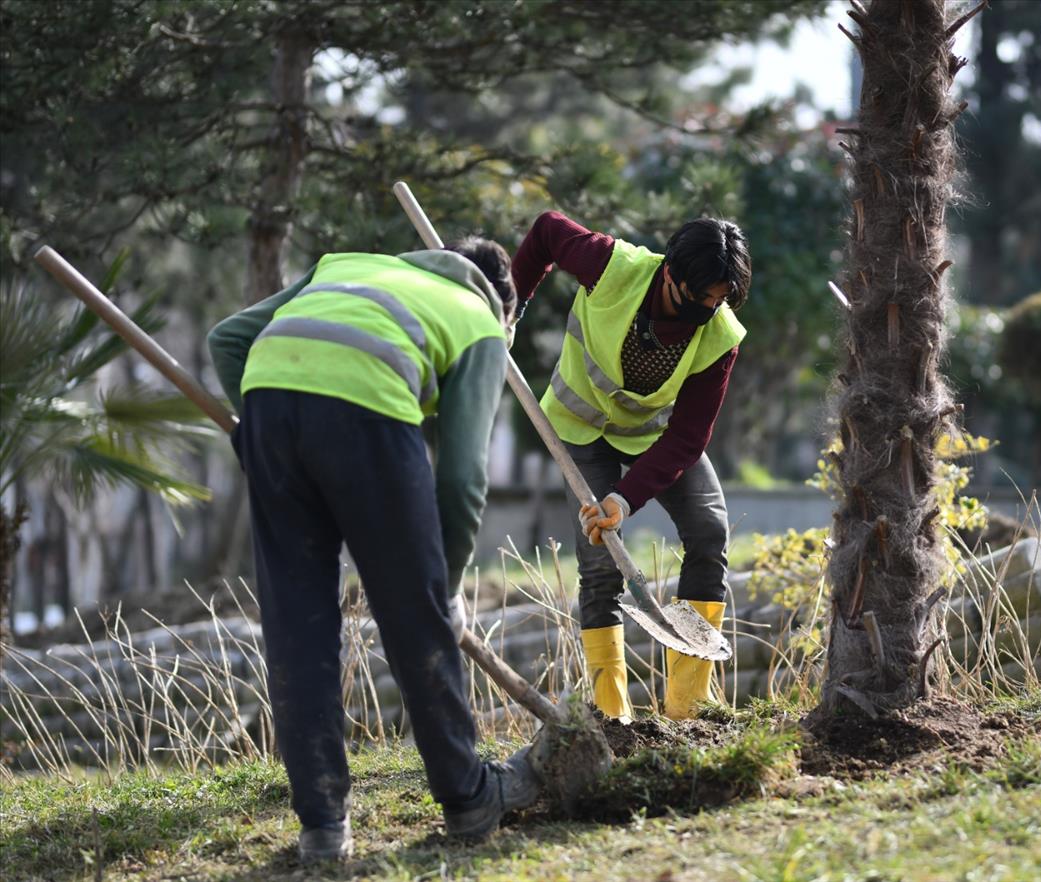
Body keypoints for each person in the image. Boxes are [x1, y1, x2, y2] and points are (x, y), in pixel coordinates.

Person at [207, 239, 539, 862]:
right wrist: (442, 592)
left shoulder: (345, 265)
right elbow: (464, 480)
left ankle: (323, 828)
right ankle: (469, 798)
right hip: (367, 417)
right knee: (415, 620)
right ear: (506, 312)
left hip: (270, 406)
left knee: (297, 627)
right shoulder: (481, 324)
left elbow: (228, 338)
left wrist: (257, 436)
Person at [512, 211, 750, 723]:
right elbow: (548, 230)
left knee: (709, 533)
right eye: (701, 297)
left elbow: (689, 436)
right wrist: (510, 307)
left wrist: (624, 498)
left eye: (719, 300)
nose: (708, 310)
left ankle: (688, 708)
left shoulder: (720, 334)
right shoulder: (611, 265)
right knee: (600, 562)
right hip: (579, 430)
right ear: (671, 275)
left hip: (653, 438)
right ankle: (610, 718)